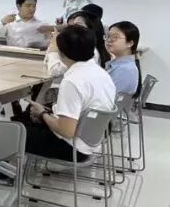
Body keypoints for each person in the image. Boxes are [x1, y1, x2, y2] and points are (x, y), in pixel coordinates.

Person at [26, 25, 117, 161]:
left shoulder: (72, 81)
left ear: (61, 52)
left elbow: (66, 131)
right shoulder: (102, 74)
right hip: (92, 141)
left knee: (15, 131)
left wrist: (42, 114)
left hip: (73, 148)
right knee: (27, 119)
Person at [45, 10, 109, 77]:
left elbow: (55, 71)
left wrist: (54, 48)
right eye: (69, 26)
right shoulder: (77, 46)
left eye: (77, 25)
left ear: (92, 29)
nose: (72, 30)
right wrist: (54, 45)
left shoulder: (90, 51)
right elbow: (47, 62)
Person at [106, 21, 141, 97]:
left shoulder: (125, 69)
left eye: (115, 37)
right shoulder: (119, 65)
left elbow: (106, 97)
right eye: (108, 36)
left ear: (130, 43)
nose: (109, 40)